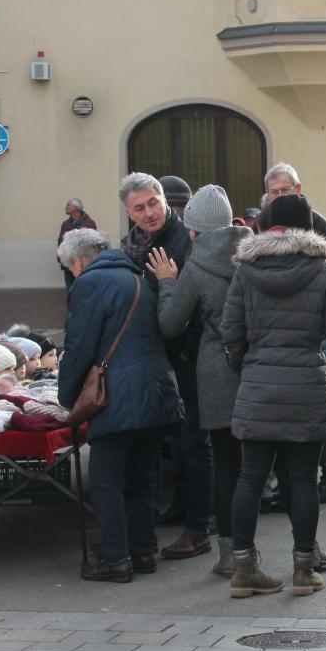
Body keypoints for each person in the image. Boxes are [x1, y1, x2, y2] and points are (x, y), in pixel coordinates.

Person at [220, 194, 326, 597]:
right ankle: (303, 570)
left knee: (251, 477)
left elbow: (230, 331)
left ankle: (243, 570)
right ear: (306, 227)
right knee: (303, 480)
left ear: (270, 226)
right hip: (306, 385)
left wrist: (249, 362)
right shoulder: (323, 270)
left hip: (258, 384)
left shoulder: (246, 271)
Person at [57, 228, 183, 583]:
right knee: (143, 474)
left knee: (106, 477)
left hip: (117, 394)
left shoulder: (90, 283)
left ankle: (115, 558)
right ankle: (143, 551)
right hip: (156, 389)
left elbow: (80, 344)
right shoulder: (139, 277)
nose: (72, 274)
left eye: (70, 268)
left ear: (79, 261)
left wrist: (68, 398)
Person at [146, 184, 252, 578]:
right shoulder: (253, 255)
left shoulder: (196, 267)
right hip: (258, 371)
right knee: (260, 464)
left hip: (217, 374)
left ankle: (230, 554)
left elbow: (171, 324)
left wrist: (167, 282)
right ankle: (305, 549)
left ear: (193, 231)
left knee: (226, 464)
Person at [119, 172, 212, 559]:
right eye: (139, 208)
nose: (149, 213)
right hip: (155, 354)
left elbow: (189, 303)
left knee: (194, 442)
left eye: (153, 203)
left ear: (165, 200)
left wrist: (166, 283)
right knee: (168, 440)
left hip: (189, 355)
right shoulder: (131, 245)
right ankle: (182, 508)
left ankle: (199, 527)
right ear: (128, 212)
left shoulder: (185, 238)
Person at [262, 162, 326, 497]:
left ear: (298, 189)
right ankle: (317, 473)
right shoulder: (263, 225)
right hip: (289, 336)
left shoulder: (318, 224)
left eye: (285, 191)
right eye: (274, 191)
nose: (279, 196)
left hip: (324, 331)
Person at [58, 199, 97, 291]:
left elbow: (92, 244)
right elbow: (60, 242)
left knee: (83, 288)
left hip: (83, 264)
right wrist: (61, 258)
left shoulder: (89, 223)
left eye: (68, 205)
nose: (66, 207)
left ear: (76, 207)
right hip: (68, 263)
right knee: (70, 288)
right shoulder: (65, 224)